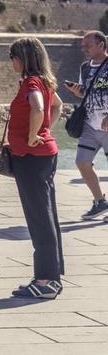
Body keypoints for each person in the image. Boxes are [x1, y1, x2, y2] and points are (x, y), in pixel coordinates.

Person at [5, 37, 64, 298]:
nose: (12, 62)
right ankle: (51, 276)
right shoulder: (44, 81)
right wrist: (45, 131)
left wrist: (32, 136)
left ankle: (45, 281)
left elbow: (39, 108)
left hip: (31, 157)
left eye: (13, 57)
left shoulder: (31, 83)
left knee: (39, 218)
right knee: (47, 215)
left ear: (23, 58)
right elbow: (58, 105)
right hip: (44, 155)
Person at [68, 30, 108, 219]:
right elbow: (86, 92)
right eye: (83, 46)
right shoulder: (85, 67)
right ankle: (100, 202)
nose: (84, 49)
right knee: (82, 162)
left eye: (88, 45)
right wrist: (78, 92)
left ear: (101, 45)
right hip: (90, 125)